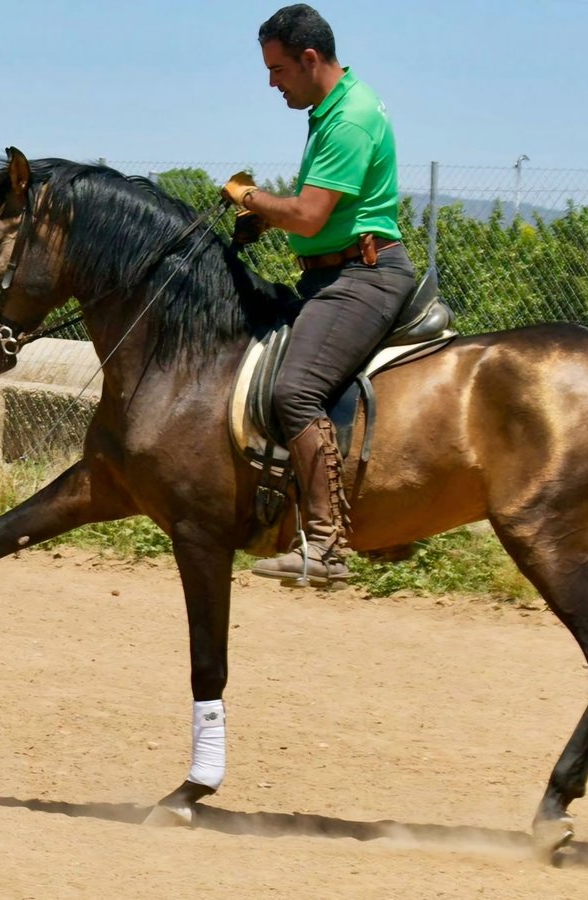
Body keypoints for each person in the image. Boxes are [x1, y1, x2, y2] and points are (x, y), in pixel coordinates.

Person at [222, 4, 416, 587]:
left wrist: (251, 198)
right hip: (336, 273)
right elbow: (324, 213)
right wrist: (266, 221)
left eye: (278, 70)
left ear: (310, 59)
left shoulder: (349, 117)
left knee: (296, 390)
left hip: (363, 277)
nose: (271, 83)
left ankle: (327, 543)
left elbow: (309, 214)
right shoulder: (333, 107)